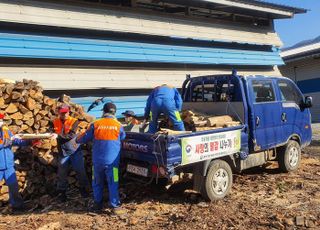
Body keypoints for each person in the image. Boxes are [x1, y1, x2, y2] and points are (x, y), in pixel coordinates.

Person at [77, 102, 126, 214]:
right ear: (114, 112)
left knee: (97, 182)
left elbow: (83, 139)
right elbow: (123, 137)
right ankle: (115, 207)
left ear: (104, 111)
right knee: (113, 182)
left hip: (97, 162)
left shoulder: (96, 124)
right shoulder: (118, 125)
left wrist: (77, 138)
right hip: (112, 162)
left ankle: (97, 205)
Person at [51, 104, 90, 202]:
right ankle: (62, 192)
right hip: (63, 151)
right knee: (62, 173)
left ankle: (84, 189)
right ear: (58, 112)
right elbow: (52, 131)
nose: (64, 114)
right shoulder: (55, 121)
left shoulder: (74, 121)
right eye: (62, 113)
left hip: (74, 150)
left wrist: (57, 136)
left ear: (69, 112)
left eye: (66, 112)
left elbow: (71, 135)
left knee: (80, 170)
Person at [0, 113, 37, 211]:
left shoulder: (5, 130)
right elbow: (5, 143)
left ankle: (17, 205)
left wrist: (29, 141)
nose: (1, 121)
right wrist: (3, 143)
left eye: (1, 119)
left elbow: (15, 141)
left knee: (13, 186)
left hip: (8, 164)